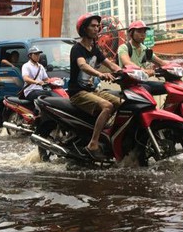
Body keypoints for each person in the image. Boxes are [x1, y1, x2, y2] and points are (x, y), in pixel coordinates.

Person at [69, 12, 122, 161]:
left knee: (121, 103)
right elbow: (83, 65)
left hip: (92, 91)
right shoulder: (77, 49)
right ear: (84, 29)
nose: (97, 29)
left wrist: (124, 71)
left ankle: (110, 136)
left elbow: (110, 64)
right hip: (78, 93)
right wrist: (100, 74)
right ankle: (93, 143)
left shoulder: (95, 49)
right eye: (93, 26)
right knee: (107, 106)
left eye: (98, 26)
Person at [117, 20, 167, 95]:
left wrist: (175, 65)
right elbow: (127, 62)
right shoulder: (124, 48)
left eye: (144, 32)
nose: (143, 34)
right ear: (131, 33)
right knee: (147, 89)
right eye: (139, 31)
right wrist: (144, 70)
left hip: (142, 82)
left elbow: (161, 62)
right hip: (129, 84)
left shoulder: (145, 49)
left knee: (168, 87)